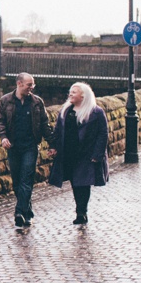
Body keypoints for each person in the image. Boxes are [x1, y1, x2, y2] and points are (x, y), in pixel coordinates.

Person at [0, 73, 55, 228]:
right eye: (29, 84)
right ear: (19, 83)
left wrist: (52, 144)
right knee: (16, 182)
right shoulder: (5, 101)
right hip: (13, 146)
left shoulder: (37, 102)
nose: (32, 87)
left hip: (30, 146)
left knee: (26, 179)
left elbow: (44, 124)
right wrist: (3, 137)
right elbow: (1, 122)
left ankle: (19, 212)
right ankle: (28, 212)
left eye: (33, 85)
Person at [48, 82, 109, 226]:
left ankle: (82, 212)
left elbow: (103, 133)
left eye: (74, 92)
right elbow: (58, 131)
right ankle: (80, 210)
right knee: (75, 182)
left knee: (83, 182)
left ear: (83, 95)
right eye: (70, 91)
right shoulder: (65, 111)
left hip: (86, 153)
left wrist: (97, 154)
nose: (70, 94)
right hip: (69, 152)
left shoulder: (96, 112)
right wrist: (54, 147)